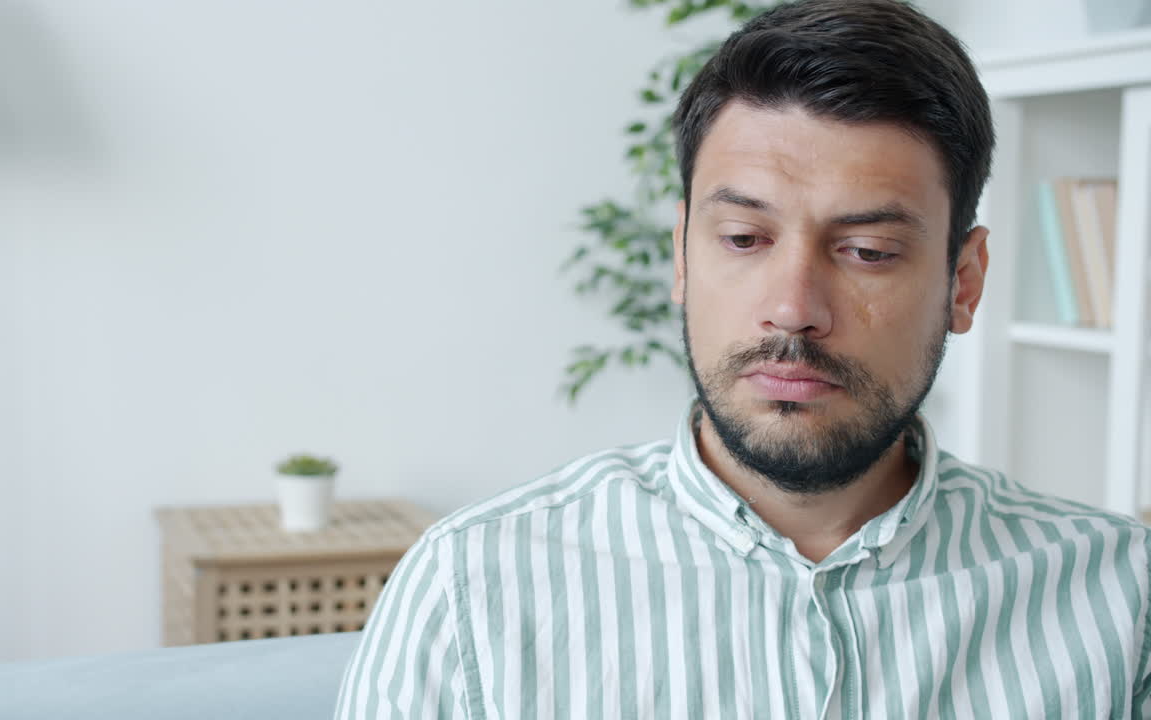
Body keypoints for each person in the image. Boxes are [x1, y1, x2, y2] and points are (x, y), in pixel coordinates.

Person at [333, 1, 1151, 717]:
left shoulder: (1123, 599)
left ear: (962, 283)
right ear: (682, 257)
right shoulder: (472, 589)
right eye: (743, 239)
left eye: (867, 251)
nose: (793, 308)